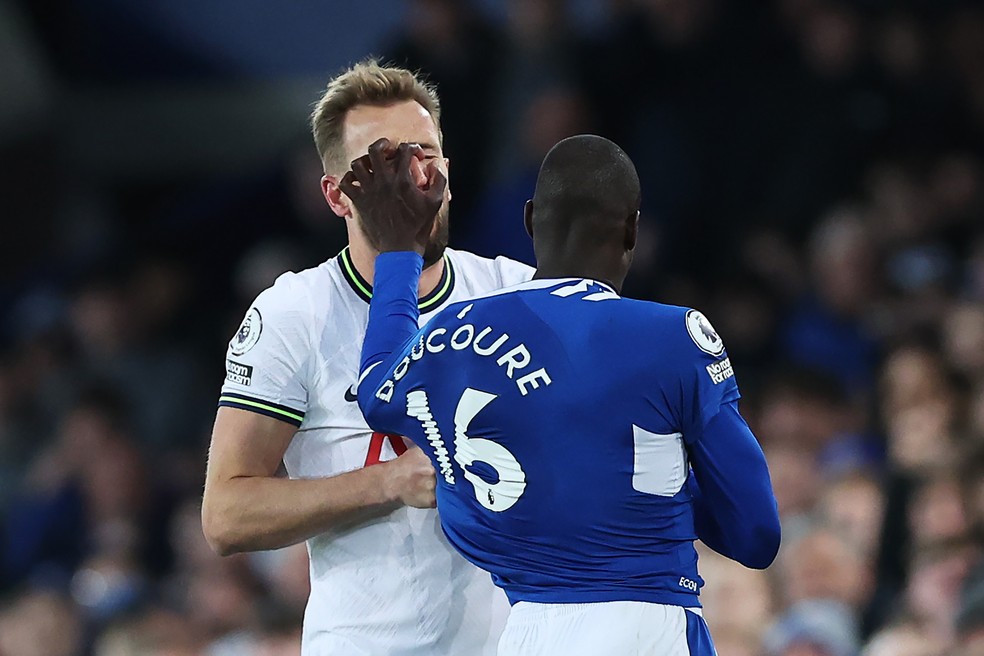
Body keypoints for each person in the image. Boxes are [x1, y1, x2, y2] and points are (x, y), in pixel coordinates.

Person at [352, 134, 781, 655]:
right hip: (647, 628)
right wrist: (648, 482)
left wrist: (398, 251)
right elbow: (756, 535)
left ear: (530, 219)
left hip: (525, 633)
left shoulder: (451, 335)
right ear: (632, 229)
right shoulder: (674, 336)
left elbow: (376, 388)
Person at [201, 60, 533, 655]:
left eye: (424, 152)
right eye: (382, 162)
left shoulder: (517, 293)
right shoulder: (295, 313)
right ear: (335, 195)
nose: (410, 176)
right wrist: (385, 483)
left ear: (449, 171)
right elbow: (226, 514)